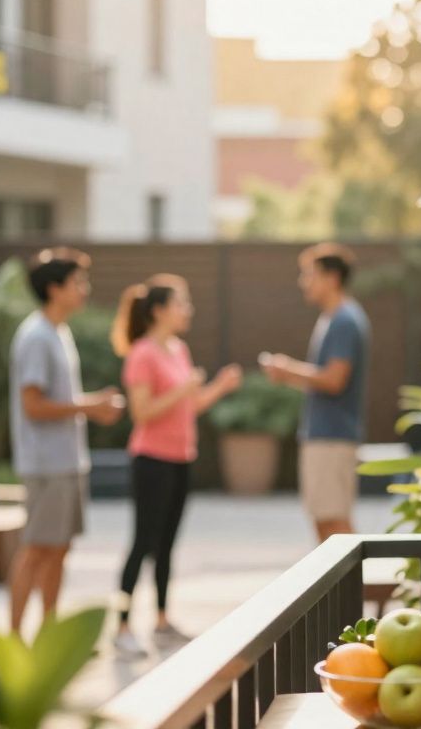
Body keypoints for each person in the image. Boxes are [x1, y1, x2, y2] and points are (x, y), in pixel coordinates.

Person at [110, 274, 242, 656]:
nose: (188, 310)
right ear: (159, 310)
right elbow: (142, 412)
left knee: (166, 544)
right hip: (151, 461)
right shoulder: (142, 354)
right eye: (181, 303)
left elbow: (192, 405)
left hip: (181, 458)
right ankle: (120, 626)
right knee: (142, 543)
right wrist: (184, 389)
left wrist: (218, 387)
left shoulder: (178, 350)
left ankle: (162, 621)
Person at [7, 248, 125, 634]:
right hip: (46, 463)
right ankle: (13, 639)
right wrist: (90, 407)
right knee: (37, 548)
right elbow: (33, 405)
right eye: (78, 282)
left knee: (59, 549)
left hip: (67, 461)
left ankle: (48, 637)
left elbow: (54, 400)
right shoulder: (36, 336)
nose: (85, 290)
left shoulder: (59, 332)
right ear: (55, 289)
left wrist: (90, 406)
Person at [261, 243, 371, 542]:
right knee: (324, 521)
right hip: (324, 435)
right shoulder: (332, 318)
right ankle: (346, 590)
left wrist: (287, 370)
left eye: (309, 274)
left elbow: (335, 380)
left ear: (332, 277)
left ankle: (362, 589)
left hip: (332, 437)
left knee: (334, 523)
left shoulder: (345, 320)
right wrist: (289, 375)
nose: (303, 282)